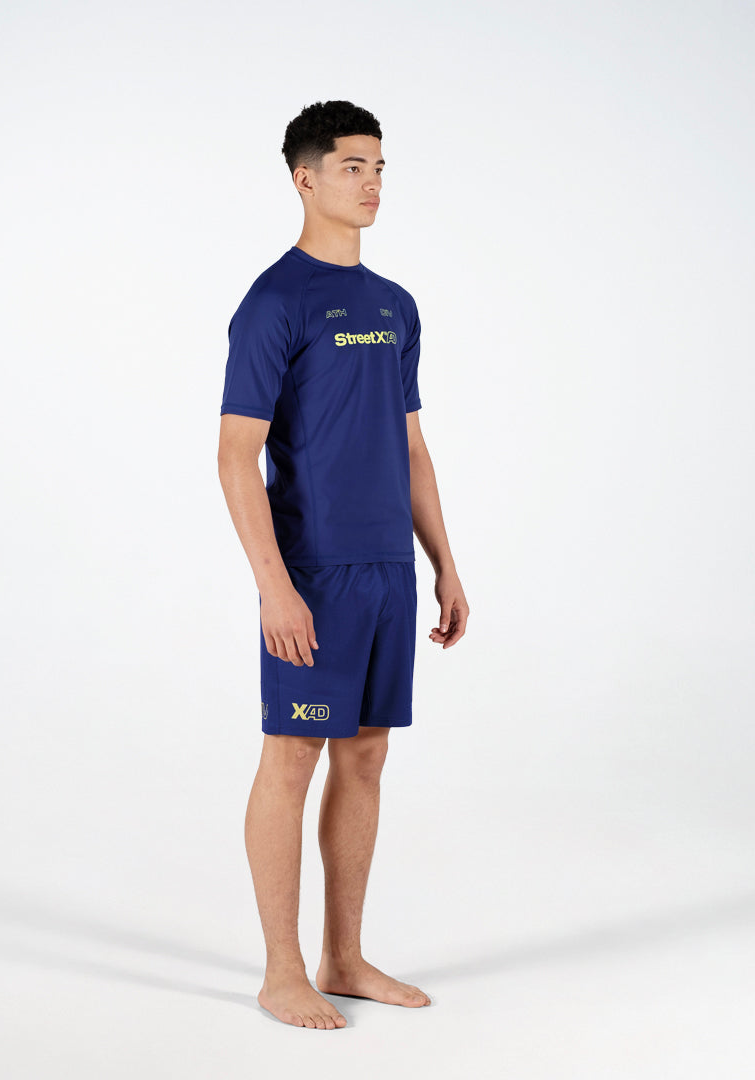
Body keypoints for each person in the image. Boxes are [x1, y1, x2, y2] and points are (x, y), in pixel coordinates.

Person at [216, 100, 468, 1031]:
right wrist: (274, 587)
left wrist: (444, 564)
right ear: (305, 178)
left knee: (365, 755)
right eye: (352, 166)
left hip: (387, 570)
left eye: (379, 167)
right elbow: (234, 456)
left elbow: (412, 448)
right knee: (293, 756)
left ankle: (344, 957)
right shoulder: (274, 302)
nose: (371, 183)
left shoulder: (395, 305)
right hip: (313, 572)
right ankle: (282, 971)